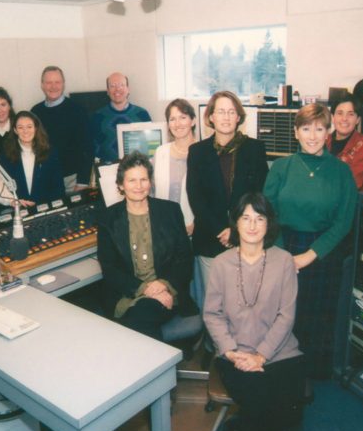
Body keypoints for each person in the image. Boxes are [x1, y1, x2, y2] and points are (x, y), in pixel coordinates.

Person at [264, 103, 357, 383]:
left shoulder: (341, 172)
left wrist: (309, 255)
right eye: (306, 128)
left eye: (319, 128)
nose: (313, 135)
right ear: (296, 132)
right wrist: (283, 253)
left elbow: (344, 221)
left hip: (322, 251)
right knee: (283, 312)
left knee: (317, 315)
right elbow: (268, 213)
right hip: (283, 244)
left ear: (328, 131)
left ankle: (309, 375)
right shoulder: (281, 167)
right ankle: (283, 368)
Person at [204, 192, 304, 431]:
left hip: (279, 353)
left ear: (268, 224)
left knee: (289, 413)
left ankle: (240, 426)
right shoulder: (220, 263)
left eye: (259, 219)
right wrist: (230, 351)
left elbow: (286, 315)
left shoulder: (284, 261)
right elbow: (212, 314)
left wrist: (261, 356)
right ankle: (245, 427)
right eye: (245, 218)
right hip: (234, 354)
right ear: (235, 222)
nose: (251, 226)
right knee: (259, 403)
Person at [97, 151, 198, 341]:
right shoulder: (108, 218)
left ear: (150, 182)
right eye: (132, 180)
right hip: (127, 295)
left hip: (167, 292)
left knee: (138, 320)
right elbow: (109, 268)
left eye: (143, 179)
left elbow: (184, 259)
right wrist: (145, 289)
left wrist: (163, 285)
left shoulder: (170, 211)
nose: (139, 186)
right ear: (120, 185)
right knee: (140, 317)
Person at [186, 90, 268, 303]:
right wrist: (220, 230)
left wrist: (236, 229)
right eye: (220, 111)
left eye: (231, 112)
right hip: (210, 240)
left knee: (245, 302)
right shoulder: (197, 152)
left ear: (238, 117)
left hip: (246, 238)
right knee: (214, 304)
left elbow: (259, 195)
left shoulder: (255, 149)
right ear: (211, 117)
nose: (226, 117)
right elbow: (196, 198)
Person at [31, 66, 93, 192]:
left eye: (57, 82)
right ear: (42, 85)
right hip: (46, 181)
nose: (53, 86)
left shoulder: (77, 110)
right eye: (48, 82)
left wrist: (83, 181)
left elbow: (88, 147)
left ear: (63, 84)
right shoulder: (35, 112)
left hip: (73, 181)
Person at [0, 111, 64, 206]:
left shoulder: (50, 152)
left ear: (36, 128)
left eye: (29, 127)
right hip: (18, 209)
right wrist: (14, 202)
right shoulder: (5, 155)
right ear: (15, 130)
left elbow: (58, 187)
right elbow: (1, 186)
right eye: (20, 127)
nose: (25, 131)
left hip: (46, 208)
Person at [153, 98, 195, 235]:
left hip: (194, 229)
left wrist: (196, 223)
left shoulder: (203, 152)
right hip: (164, 229)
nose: (177, 124)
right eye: (172, 119)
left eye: (183, 117)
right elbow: (151, 191)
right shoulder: (160, 152)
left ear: (193, 121)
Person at [92, 72, 152, 164]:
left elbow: (149, 146)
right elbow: (93, 147)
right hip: (107, 170)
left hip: (136, 169)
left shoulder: (142, 114)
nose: (117, 89)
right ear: (107, 91)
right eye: (112, 86)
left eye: (121, 85)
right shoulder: (98, 116)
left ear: (128, 89)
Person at [326, 92, 363, 191]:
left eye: (351, 114)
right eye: (340, 113)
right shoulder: (322, 141)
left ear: (358, 120)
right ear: (332, 117)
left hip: (349, 202)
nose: (344, 119)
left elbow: (350, 183)